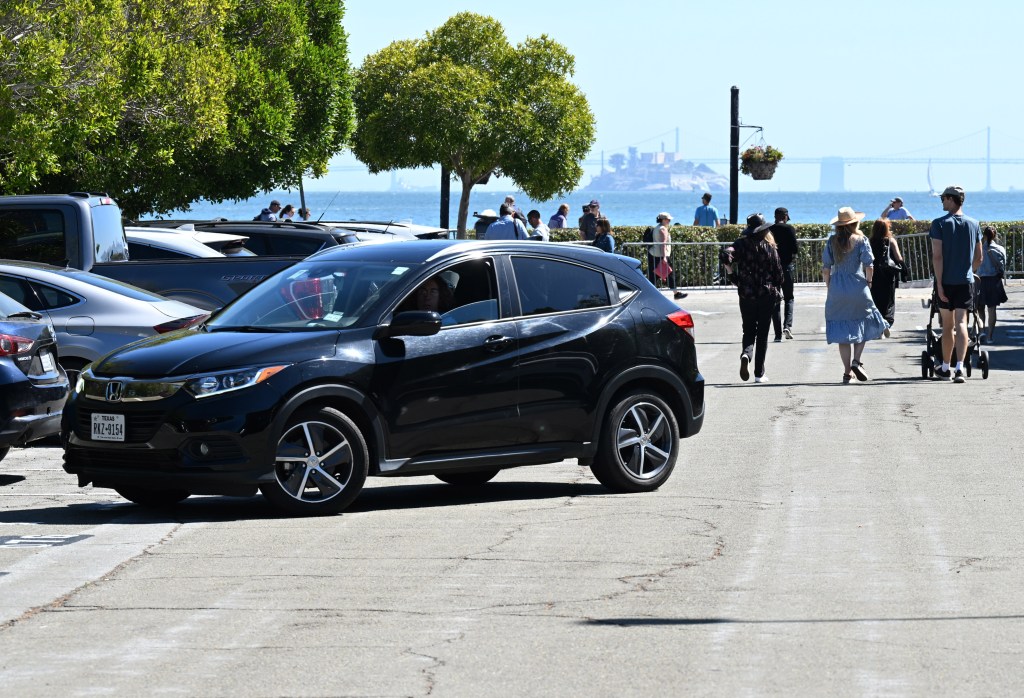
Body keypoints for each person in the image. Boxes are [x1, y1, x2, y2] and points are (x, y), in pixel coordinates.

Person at [822, 207, 889, 384]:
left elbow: (826, 268)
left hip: (837, 286)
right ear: (854, 223)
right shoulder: (861, 240)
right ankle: (856, 361)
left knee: (842, 332)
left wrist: (830, 286)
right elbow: (869, 265)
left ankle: (846, 373)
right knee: (863, 321)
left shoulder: (831, 241)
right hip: (858, 285)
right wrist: (868, 283)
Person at [930, 185, 982, 383]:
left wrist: (940, 284)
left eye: (943, 198)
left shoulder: (939, 224)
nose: (942, 201)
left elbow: (937, 256)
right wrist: (969, 271)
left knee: (947, 326)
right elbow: (979, 257)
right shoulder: (974, 224)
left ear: (951, 199)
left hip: (947, 281)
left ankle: (945, 367)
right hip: (965, 281)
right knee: (962, 323)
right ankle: (960, 367)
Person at [723, 213, 783, 384]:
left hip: (746, 293)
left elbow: (726, 255)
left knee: (748, 330)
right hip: (766, 294)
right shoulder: (770, 248)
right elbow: (779, 276)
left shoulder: (740, 244)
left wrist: (732, 276)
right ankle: (759, 373)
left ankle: (746, 354)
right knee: (762, 334)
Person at [769, 207, 799, 340]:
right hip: (787, 267)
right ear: (785, 216)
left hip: (773, 269)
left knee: (775, 300)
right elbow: (795, 249)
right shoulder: (789, 229)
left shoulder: (769, 229)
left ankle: (777, 334)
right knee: (789, 298)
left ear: (775, 216)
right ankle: (787, 326)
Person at [868, 218, 905, 327]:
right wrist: (903, 268)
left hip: (874, 274)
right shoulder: (890, 241)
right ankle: (887, 322)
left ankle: (877, 322)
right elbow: (898, 257)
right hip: (888, 274)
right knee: (888, 300)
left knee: (875, 298)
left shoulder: (870, 242)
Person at [976, 225, 1008, 341]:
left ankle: (981, 332)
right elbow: (1003, 267)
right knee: (992, 309)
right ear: (995, 236)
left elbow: (974, 265)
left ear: (984, 236)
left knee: (979, 309)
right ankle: (990, 337)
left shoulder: (978, 249)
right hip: (994, 281)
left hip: (980, 281)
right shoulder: (1001, 249)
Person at [647, 212, 675, 288]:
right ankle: (676, 293)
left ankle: (650, 293)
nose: (669, 221)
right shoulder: (663, 229)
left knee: (653, 278)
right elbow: (664, 243)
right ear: (663, 220)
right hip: (661, 255)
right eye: (668, 220)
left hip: (653, 254)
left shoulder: (656, 228)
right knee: (670, 274)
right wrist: (664, 257)